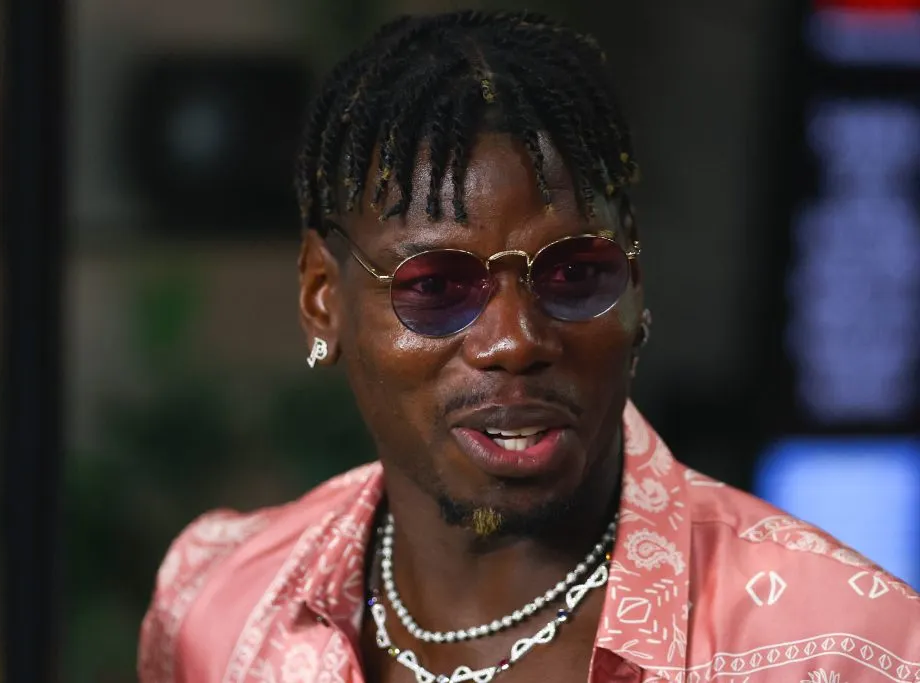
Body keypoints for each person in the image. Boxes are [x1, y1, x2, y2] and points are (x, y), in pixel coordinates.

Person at [137, 10, 920, 683]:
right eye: (437, 287)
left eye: (577, 274)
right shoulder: (218, 605)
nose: (516, 341)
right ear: (322, 300)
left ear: (636, 287)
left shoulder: (844, 646)